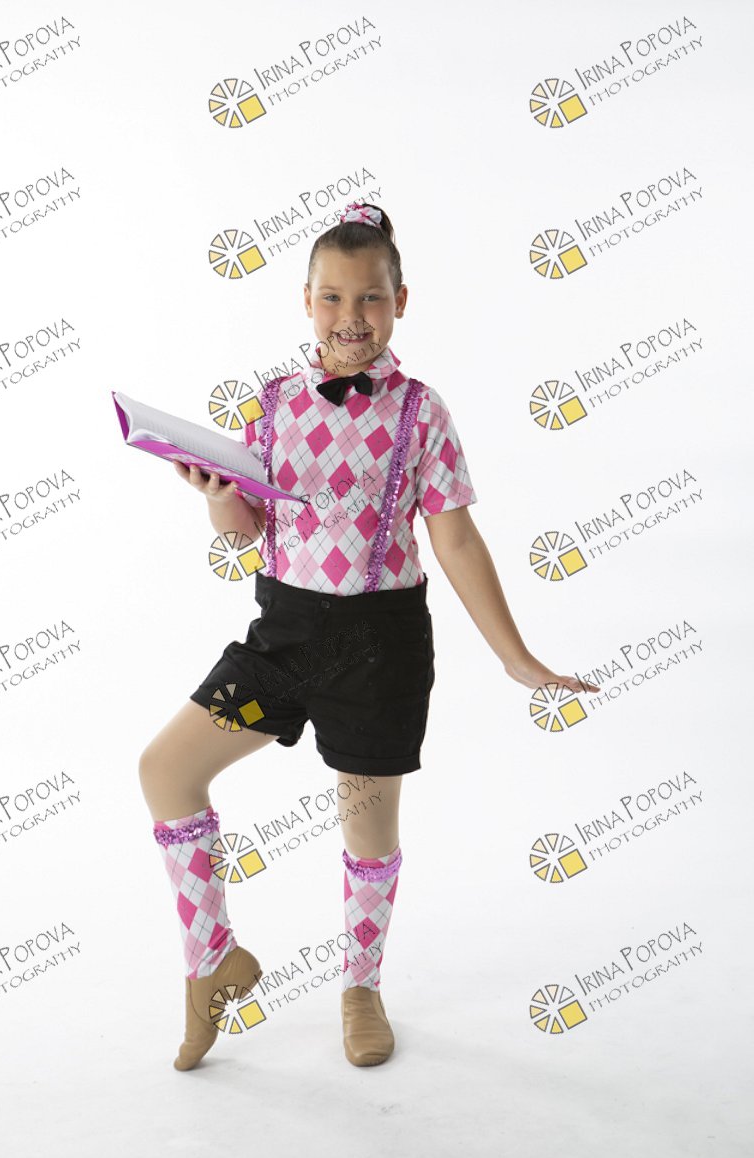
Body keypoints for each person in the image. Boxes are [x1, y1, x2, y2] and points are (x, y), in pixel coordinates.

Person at [138, 200, 600, 1072]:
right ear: (306, 300)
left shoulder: (422, 413)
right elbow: (246, 530)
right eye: (333, 298)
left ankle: (360, 986)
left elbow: (455, 539)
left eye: (371, 298)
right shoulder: (272, 402)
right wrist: (216, 497)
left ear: (401, 302)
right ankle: (212, 960)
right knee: (166, 769)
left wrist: (516, 656)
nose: (351, 317)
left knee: (367, 829)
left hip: (379, 644)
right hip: (284, 635)